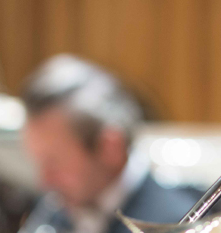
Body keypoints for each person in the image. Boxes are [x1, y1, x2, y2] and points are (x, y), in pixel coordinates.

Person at [21, 54, 203, 233]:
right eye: (39, 162)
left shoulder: (174, 224)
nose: (44, 182)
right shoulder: (53, 210)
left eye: (54, 163)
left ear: (111, 148)